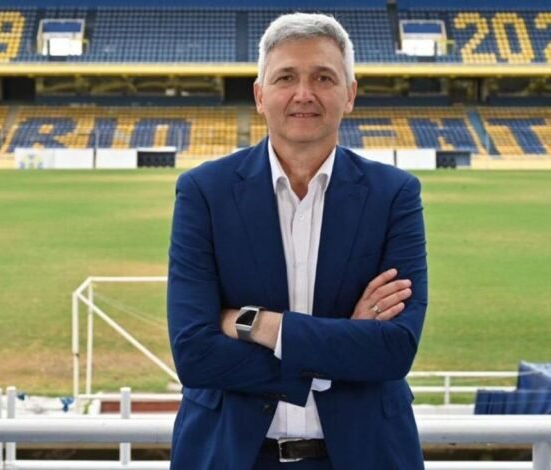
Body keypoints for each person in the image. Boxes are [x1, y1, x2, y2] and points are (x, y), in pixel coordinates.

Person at [167, 12, 427, 470]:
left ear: (350, 94)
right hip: (231, 455)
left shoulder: (395, 195)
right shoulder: (204, 192)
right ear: (260, 95)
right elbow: (195, 355)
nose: (303, 93)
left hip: (365, 455)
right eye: (286, 77)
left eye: (323, 77)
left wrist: (258, 325)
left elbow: (393, 350)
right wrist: (341, 347)